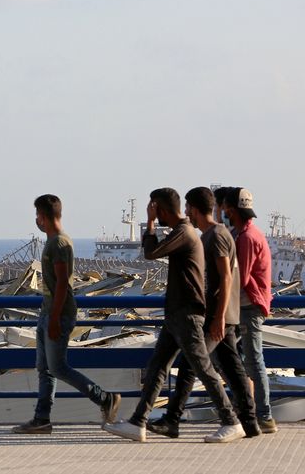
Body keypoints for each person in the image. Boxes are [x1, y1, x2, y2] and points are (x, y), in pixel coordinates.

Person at [104, 188, 244, 443]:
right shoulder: (187, 232)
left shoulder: (184, 232)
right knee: (158, 367)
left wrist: (148, 223)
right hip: (177, 313)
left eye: (154, 208)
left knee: (202, 368)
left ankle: (231, 420)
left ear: (162, 208)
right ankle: (139, 422)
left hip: (187, 313)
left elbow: (151, 252)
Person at [145, 187, 259, 438]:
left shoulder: (216, 235)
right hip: (219, 314)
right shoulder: (212, 234)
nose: (186, 213)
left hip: (219, 316)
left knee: (191, 366)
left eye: (188, 208)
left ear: (195, 209)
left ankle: (177, 419)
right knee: (232, 369)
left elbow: (227, 277)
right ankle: (250, 423)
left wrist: (218, 317)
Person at [12, 194, 121, 434]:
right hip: (48, 312)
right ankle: (42, 419)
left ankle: (105, 399)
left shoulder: (59, 243)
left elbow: (63, 284)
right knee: (45, 369)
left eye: (37, 215)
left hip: (57, 315)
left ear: (43, 216)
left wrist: (53, 319)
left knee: (58, 368)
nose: (36, 220)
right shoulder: (53, 241)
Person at [223, 187, 277, 433]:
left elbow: (240, 278)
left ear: (232, 210)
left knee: (253, 361)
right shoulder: (249, 233)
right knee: (246, 361)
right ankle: (252, 411)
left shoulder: (245, 238)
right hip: (248, 305)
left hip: (248, 305)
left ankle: (264, 415)